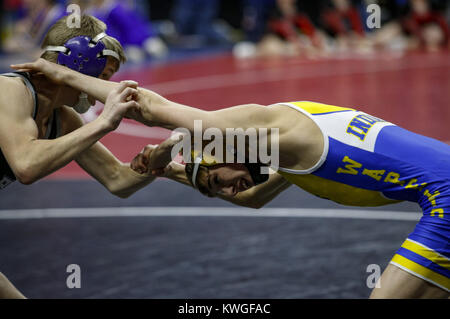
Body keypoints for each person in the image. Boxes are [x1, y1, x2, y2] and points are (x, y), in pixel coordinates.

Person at [12, 58, 450, 299]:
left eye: (216, 181)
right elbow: (252, 200)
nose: (226, 190)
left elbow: (149, 106)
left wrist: (67, 76)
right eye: (214, 191)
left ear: (220, 149)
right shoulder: (287, 152)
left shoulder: (284, 137)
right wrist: (171, 170)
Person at [0, 15, 169, 298]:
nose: (104, 91)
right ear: (77, 64)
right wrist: (103, 124)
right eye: (103, 77)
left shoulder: (61, 118)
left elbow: (117, 179)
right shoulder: (9, 91)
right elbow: (26, 165)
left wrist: (163, 157)